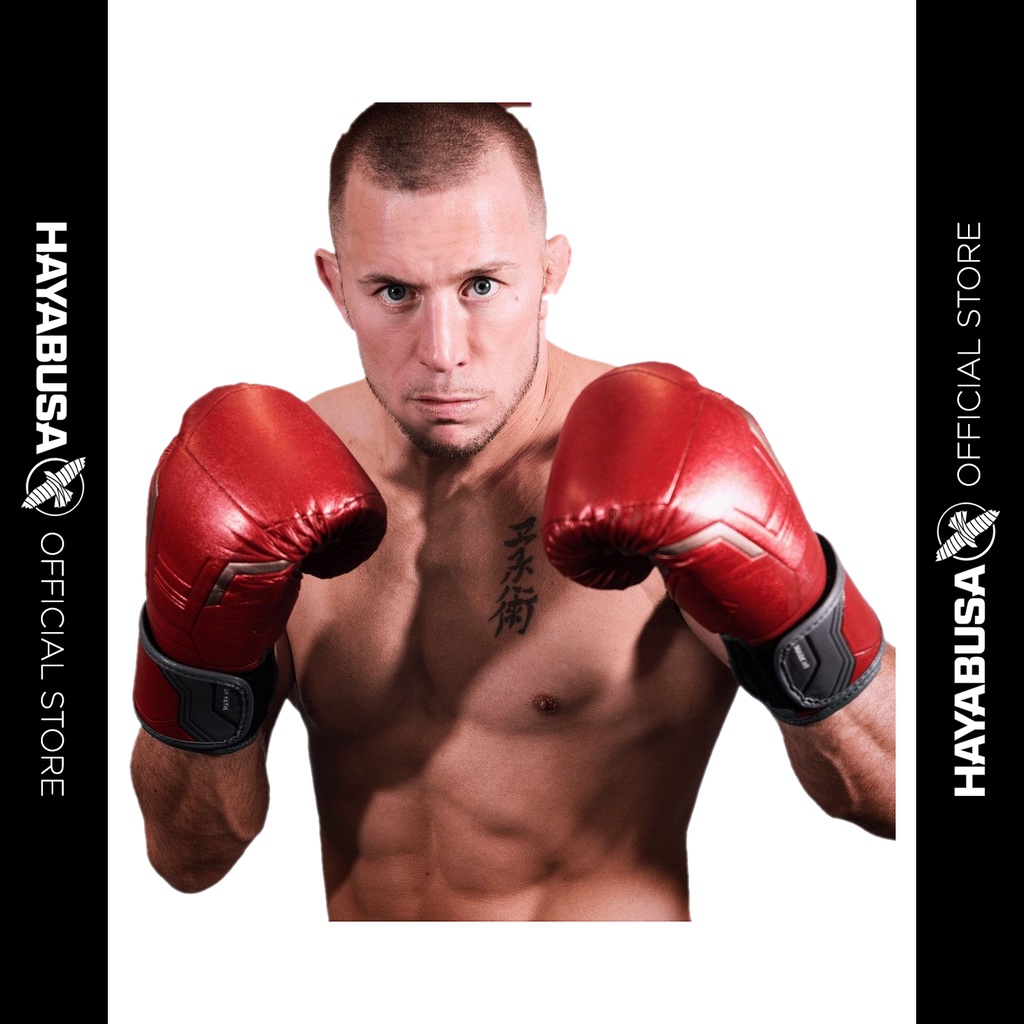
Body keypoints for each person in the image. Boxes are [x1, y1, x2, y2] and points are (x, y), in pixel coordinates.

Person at [129, 102, 895, 922]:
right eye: (394, 292)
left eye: (482, 286)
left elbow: (888, 795)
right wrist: (200, 662)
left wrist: (795, 615)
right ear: (334, 283)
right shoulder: (265, 482)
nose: (443, 352)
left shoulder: (670, 460)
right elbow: (188, 857)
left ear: (550, 270)